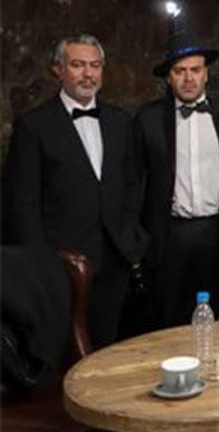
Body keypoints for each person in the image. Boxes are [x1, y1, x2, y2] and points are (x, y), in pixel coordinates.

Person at [3, 34, 146, 347]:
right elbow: (21, 205)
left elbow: (131, 185)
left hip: (116, 259)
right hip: (61, 264)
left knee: (112, 347)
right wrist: (41, 264)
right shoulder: (33, 126)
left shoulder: (120, 122)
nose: (88, 74)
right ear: (58, 69)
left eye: (95, 65)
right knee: (64, 352)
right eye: (78, 65)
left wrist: (132, 237)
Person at [134, 31, 219, 327]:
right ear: (168, 77)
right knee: (170, 318)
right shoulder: (148, 120)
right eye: (179, 71)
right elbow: (135, 183)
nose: (188, 78)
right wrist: (140, 243)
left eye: (195, 70)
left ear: (206, 74)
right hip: (169, 235)